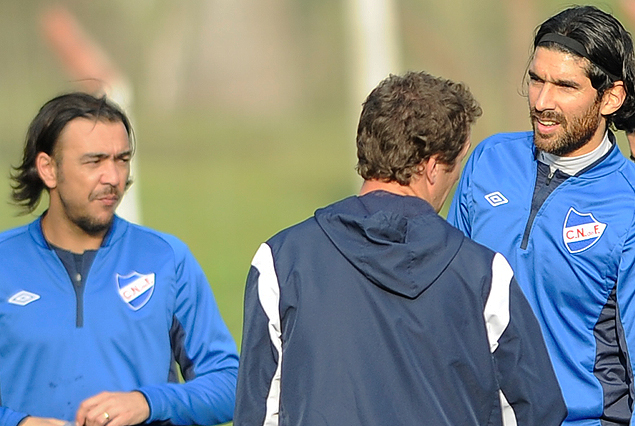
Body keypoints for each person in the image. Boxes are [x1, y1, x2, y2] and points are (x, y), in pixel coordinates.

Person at [234, 71, 566, 425]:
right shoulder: (483, 275)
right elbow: (536, 409)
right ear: (434, 167)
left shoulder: (283, 261)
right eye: (457, 165)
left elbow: (258, 411)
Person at [0, 92, 239, 426]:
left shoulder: (166, 259)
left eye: (121, 159)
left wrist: (148, 403)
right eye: (94, 161)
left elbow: (232, 385)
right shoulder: (4, 263)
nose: (113, 177)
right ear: (48, 169)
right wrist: (18, 423)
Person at [448, 5, 635, 425]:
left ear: (611, 97)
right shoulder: (489, 161)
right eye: (536, 80)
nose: (543, 102)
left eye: (565, 86)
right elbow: (446, 297)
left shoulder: (629, 203)